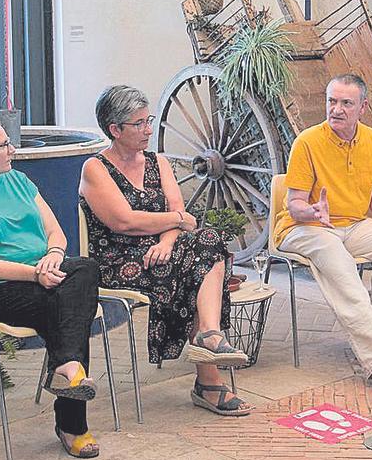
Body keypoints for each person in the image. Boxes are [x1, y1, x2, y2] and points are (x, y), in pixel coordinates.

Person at [0, 114, 103, 458]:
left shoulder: (18, 181)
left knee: (84, 269)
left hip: (41, 276)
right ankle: (72, 424)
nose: (13, 149)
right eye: (4, 144)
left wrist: (53, 256)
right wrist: (35, 274)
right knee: (64, 305)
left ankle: (68, 370)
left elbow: (56, 232)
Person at [80, 85, 252, 417]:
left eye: (149, 121)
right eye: (139, 124)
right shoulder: (95, 169)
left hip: (162, 250)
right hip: (120, 259)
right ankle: (208, 376)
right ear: (115, 130)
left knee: (206, 243)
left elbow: (179, 211)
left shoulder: (158, 161)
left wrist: (167, 240)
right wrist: (176, 222)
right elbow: (125, 222)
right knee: (196, 267)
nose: (148, 130)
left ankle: (209, 335)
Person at [274, 74, 372, 393]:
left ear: (363, 107)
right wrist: (312, 211)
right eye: (332, 101)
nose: (336, 109)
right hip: (304, 228)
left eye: (346, 103)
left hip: (353, 225)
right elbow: (294, 206)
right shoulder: (307, 141)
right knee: (341, 261)